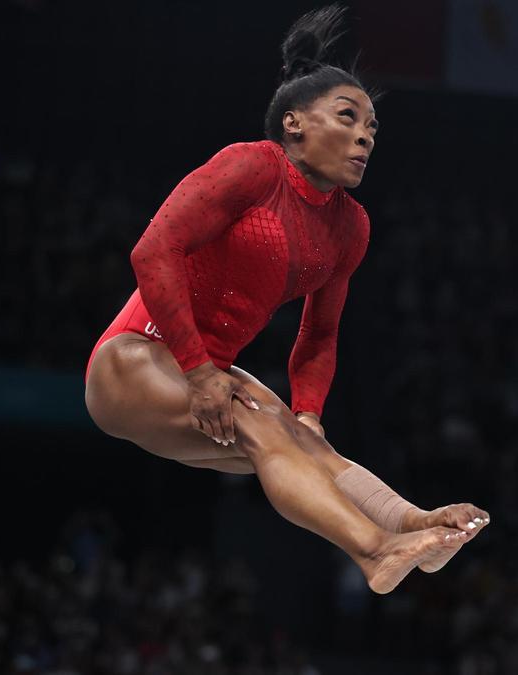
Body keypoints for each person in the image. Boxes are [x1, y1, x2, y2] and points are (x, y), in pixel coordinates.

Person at [83, 5, 489, 594]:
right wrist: (198, 374)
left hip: (209, 376)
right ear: (294, 123)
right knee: (262, 428)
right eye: (348, 118)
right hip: (133, 359)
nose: (364, 137)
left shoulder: (351, 227)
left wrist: (310, 413)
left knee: (300, 442)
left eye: (372, 129)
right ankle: (375, 551)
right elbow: (154, 251)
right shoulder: (251, 166)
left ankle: (413, 525)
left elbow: (319, 334)